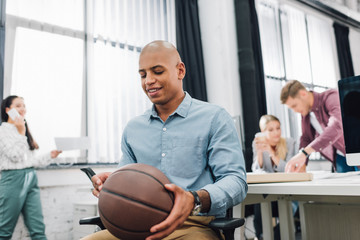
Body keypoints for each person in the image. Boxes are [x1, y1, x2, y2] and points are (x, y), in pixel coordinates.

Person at [83, 40, 248, 240]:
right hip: (138, 227)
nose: (148, 81)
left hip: (193, 225)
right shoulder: (133, 129)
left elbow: (236, 182)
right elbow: (128, 183)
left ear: (180, 71)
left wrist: (194, 199)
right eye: (143, 75)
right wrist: (111, 184)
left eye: (158, 71)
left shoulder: (214, 118)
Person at [0, 95, 62, 240]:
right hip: (12, 179)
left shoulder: (23, 129)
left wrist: (50, 155)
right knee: (4, 231)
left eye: (24, 105)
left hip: (30, 177)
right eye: (18, 105)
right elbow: (14, 156)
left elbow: (30, 161)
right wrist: (21, 132)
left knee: (38, 229)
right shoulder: (3, 131)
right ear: (8, 110)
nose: (22, 109)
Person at [280, 80, 356, 173]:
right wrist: (302, 163)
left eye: (294, 105)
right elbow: (306, 138)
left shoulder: (331, 97)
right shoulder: (306, 115)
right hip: (340, 157)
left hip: (355, 152)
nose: (295, 111)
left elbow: (336, 126)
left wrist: (305, 153)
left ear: (303, 94)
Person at [251, 114, 298, 240]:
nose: (276, 132)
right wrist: (260, 152)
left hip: (288, 192)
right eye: (271, 130)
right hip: (270, 192)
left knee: (283, 221)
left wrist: (272, 154)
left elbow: (289, 169)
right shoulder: (258, 143)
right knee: (259, 203)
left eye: (278, 128)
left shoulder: (289, 142)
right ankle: (260, 236)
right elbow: (256, 169)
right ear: (263, 132)